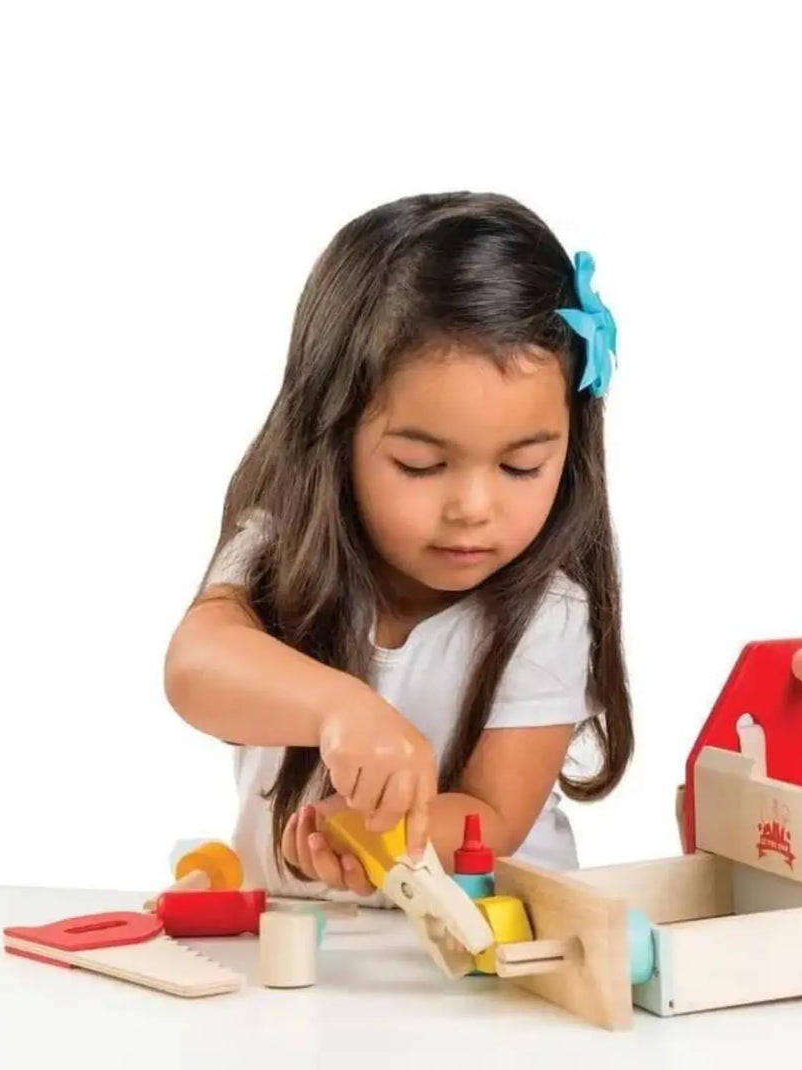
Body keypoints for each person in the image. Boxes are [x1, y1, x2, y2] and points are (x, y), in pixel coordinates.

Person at [163, 192, 633, 903]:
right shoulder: (277, 548)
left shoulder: (547, 611)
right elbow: (195, 665)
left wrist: (372, 834)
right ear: (332, 432)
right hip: (297, 948)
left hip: (495, 961)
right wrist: (338, 707)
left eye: (520, 467)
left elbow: (494, 816)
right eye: (420, 464)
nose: (473, 509)